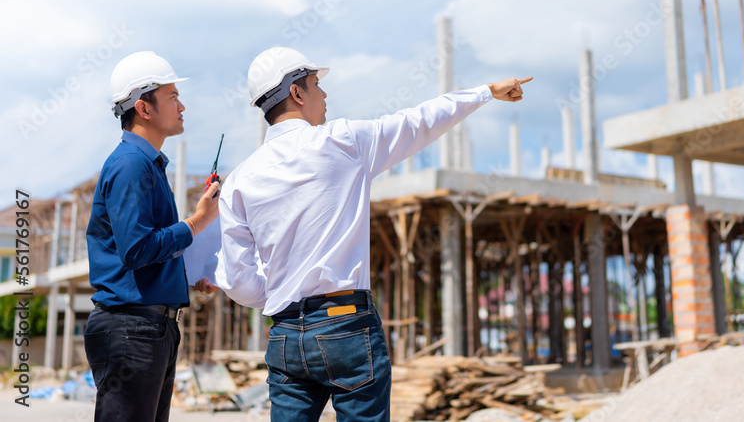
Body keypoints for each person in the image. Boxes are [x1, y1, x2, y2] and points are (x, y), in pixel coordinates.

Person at [214, 46, 531, 422]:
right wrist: (485, 92)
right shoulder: (344, 142)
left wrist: (286, 292)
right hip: (346, 323)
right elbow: (418, 122)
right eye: (317, 85)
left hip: (285, 335)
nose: (325, 94)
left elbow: (237, 281)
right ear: (297, 94)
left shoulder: (238, 181)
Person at [84, 51, 221, 422]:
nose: (183, 106)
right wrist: (197, 222)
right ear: (144, 108)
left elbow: (144, 252)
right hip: (131, 330)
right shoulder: (131, 165)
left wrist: (187, 278)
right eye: (173, 96)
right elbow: (138, 250)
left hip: (148, 328)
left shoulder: (147, 165)